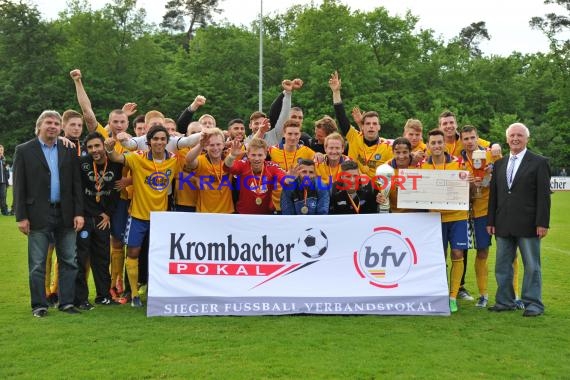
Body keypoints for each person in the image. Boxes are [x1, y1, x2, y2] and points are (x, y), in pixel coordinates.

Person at [13, 110, 85, 317]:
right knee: (37, 263)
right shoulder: (24, 150)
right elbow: (18, 186)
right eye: (49, 123)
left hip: (66, 213)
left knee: (69, 261)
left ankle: (67, 303)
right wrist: (21, 217)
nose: (53, 126)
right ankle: (39, 305)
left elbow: (75, 184)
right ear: (39, 126)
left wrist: (78, 213)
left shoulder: (68, 150)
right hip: (37, 214)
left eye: (56, 123)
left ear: (60, 128)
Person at [105, 124, 180, 307]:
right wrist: (109, 147)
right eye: (155, 139)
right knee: (133, 252)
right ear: (148, 142)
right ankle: (134, 294)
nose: (159, 142)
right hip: (138, 215)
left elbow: (190, 166)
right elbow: (116, 157)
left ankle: (158, 291)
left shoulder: (174, 160)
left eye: (163, 139)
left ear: (167, 141)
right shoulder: (138, 158)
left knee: (159, 255)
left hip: (160, 218)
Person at [487, 123, 551, 317]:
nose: (515, 138)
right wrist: (491, 221)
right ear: (507, 139)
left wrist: (542, 223)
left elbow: (543, 196)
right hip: (503, 223)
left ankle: (533, 304)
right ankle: (504, 301)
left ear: (526, 139)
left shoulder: (539, 162)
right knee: (502, 265)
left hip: (529, 224)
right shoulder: (499, 164)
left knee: (531, 266)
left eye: (519, 135)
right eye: (512, 135)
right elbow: (495, 196)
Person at [420, 129, 468, 313]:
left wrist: (469, 183)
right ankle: (439, 294)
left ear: (445, 144)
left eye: (440, 142)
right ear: (428, 145)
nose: (437, 146)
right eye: (433, 143)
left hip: (457, 216)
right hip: (434, 218)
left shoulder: (458, 164)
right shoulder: (422, 166)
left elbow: (467, 191)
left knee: (457, 253)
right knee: (439, 257)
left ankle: (453, 296)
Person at [74, 132, 123, 309]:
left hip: (104, 219)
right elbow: (78, 192)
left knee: (102, 258)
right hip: (85, 218)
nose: (94, 150)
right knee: (81, 258)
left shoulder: (116, 164)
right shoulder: (81, 163)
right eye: (90, 147)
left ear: (103, 146)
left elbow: (116, 192)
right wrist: (87, 214)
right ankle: (80, 298)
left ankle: (103, 296)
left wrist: (109, 213)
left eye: (97, 146)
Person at [459, 125, 500, 308]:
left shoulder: (492, 154)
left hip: (499, 209)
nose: (469, 141)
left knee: (510, 252)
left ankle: (513, 294)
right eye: (465, 138)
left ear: (478, 138)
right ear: (461, 140)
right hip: (477, 211)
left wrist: (488, 176)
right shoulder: (458, 161)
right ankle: (483, 294)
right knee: (482, 251)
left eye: (472, 137)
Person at [329, 71, 393, 178]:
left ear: (379, 127)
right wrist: (336, 92)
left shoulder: (387, 147)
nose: (371, 126)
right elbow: (341, 117)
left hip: (376, 190)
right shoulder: (354, 137)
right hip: (353, 185)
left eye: (374, 123)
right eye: (368, 123)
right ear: (362, 126)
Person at [224, 138, 289, 214]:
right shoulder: (243, 164)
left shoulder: (272, 167)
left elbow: (284, 180)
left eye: (260, 155)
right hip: (243, 215)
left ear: (265, 154)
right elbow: (227, 167)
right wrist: (232, 155)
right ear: (248, 154)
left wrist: (290, 178)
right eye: (253, 155)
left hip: (266, 215)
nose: (257, 159)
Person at [184, 128, 234, 213]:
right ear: (206, 147)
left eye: (218, 144)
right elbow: (189, 160)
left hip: (227, 212)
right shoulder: (201, 160)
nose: (215, 148)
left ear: (223, 145)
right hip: (204, 213)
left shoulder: (228, 159)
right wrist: (200, 145)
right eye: (211, 145)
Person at [0, 145, 9, 215]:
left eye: (1, 150)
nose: (0, 152)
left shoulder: (5, 160)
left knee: (3, 197)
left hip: (3, 182)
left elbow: (7, 170)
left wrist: (7, 180)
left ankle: (4, 211)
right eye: (0, 150)